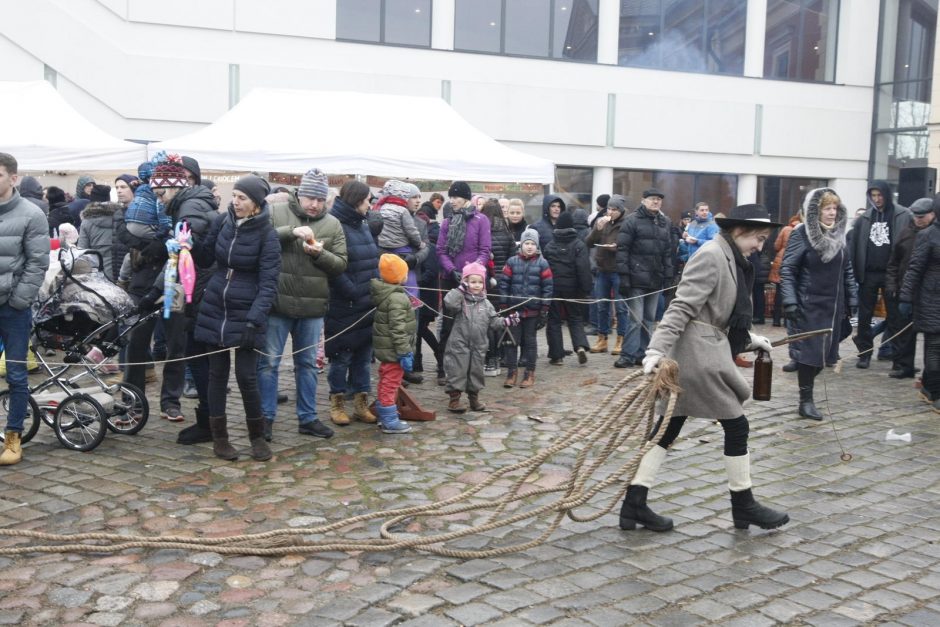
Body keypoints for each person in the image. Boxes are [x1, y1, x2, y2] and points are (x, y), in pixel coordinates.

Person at [622, 204, 787, 533]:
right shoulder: (712, 255)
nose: (760, 246)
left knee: (669, 427)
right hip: (697, 355)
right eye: (757, 238)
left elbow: (718, 313)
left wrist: (750, 339)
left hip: (706, 348)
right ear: (739, 231)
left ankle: (634, 504)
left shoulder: (731, 257)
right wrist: (655, 348)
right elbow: (682, 306)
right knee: (736, 426)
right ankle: (743, 505)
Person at [192, 175, 281, 461]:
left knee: (247, 377)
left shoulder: (268, 234)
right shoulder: (222, 222)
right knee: (217, 375)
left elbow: (269, 283)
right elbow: (206, 258)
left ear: (256, 203)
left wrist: (255, 319)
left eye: (242, 198)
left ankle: (257, 437)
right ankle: (220, 438)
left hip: (247, 308)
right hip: (216, 303)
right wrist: (190, 242)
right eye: (235, 196)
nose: (236, 202)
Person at [258, 168, 348, 442]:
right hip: (277, 303)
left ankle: (307, 418)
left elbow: (341, 264)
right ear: (300, 193)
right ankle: (264, 418)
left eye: (320, 200)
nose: (314, 204)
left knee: (307, 364)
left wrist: (321, 255)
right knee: (269, 363)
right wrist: (289, 232)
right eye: (310, 197)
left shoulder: (333, 224)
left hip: (312, 307)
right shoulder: (276, 212)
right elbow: (260, 241)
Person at [779, 188, 858, 421]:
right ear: (815, 211)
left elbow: (848, 270)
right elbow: (788, 268)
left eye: (835, 208)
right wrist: (791, 301)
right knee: (808, 354)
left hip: (834, 306)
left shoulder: (839, 235)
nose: (832, 213)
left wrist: (852, 298)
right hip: (808, 304)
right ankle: (806, 401)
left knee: (826, 355)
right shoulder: (801, 233)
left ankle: (807, 392)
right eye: (827, 208)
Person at [0, 153, 50, 465]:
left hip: (13, 308)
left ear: (13, 178)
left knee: (17, 375)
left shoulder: (32, 214)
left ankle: (13, 438)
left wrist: (18, 300)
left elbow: (37, 263)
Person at [325, 181, 378, 426]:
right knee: (341, 356)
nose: (371, 204)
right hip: (344, 305)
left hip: (367, 303)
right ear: (357, 199)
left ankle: (360, 403)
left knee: (363, 357)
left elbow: (370, 260)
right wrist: (352, 290)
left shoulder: (363, 224)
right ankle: (337, 403)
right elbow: (332, 265)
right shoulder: (335, 225)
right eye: (368, 199)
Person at [847, 181, 912, 369]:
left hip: (892, 274)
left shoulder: (902, 215)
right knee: (865, 316)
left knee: (895, 316)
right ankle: (865, 354)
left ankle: (897, 357)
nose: (877, 199)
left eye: (880, 195)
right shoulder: (865, 218)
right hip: (867, 274)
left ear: (886, 195)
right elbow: (854, 247)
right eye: (873, 196)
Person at [436, 181, 491, 386]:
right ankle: (443, 368)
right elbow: (441, 250)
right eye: (450, 197)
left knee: (471, 325)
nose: (452, 201)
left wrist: (471, 273)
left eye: (456, 197)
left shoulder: (481, 220)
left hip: (473, 280)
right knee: (447, 326)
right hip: (451, 279)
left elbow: (484, 250)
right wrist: (452, 270)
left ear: (466, 198)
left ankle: (470, 368)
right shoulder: (447, 222)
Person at [443, 262, 518, 412]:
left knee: (476, 372)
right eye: (472, 282)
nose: (476, 285)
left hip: (479, 345)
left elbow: (493, 322)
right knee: (457, 371)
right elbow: (449, 303)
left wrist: (506, 321)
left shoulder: (487, 303)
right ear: (465, 282)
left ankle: (474, 398)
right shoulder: (460, 299)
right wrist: (459, 290)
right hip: (459, 343)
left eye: (479, 282)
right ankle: (454, 400)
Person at [615, 188, 674, 368]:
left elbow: (667, 251)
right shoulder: (632, 221)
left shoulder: (664, 222)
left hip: (655, 278)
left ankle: (643, 353)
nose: (656, 202)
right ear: (643, 200)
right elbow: (622, 250)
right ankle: (627, 354)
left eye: (659, 199)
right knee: (635, 318)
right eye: (652, 199)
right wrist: (624, 276)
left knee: (649, 319)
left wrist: (669, 274)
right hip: (635, 278)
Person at [887, 198, 935, 379]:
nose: (918, 219)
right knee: (904, 332)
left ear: (933, 214)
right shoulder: (905, 233)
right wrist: (892, 286)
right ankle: (904, 366)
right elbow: (893, 264)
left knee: (931, 336)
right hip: (905, 290)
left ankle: (930, 373)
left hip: (929, 294)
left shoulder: (934, 235)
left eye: (922, 216)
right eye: (916, 216)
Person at [900, 196, 940, 412]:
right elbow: (914, 268)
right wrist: (906, 297)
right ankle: (935, 393)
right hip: (931, 299)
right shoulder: (928, 235)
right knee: (934, 348)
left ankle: (928, 387)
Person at [500, 227, 553, 388]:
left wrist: (544, 308)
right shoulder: (511, 262)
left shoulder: (543, 263)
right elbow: (504, 284)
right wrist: (504, 304)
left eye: (532, 244)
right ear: (521, 244)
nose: (529, 246)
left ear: (536, 246)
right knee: (511, 342)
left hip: (532, 311)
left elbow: (548, 287)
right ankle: (511, 372)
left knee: (530, 342)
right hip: (514, 310)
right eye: (527, 243)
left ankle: (529, 373)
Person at [370, 254, 415, 434]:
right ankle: (389, 420)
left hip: (387, 349)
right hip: (394, 351)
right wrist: (404, 352)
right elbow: (398, 329)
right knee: (391, 383)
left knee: (385, 381)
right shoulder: (397, 298)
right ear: (399, 276)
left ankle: (385, 415)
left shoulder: (389, 294)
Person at [543, 211, 592, 365]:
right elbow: (583, 268)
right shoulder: (578, 245)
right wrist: (586, 289)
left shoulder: (550, 245)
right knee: (575, 318)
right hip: (573, 288)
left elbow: (545, 269)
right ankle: (580, 347)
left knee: (554, 320)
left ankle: (557, 356)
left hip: (554, 288)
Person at [587, 195, 629, 355]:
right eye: (609, 209)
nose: (610, 212)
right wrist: (597, 228)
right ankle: (602, 339)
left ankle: (621, 340)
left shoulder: (627, 223)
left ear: (620, 210)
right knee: (601, 305)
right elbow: (589, 242)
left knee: (621, 307)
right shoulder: (602, 221)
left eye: (614, 209)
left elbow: (628, 245)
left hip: (618, 270)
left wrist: (617, 247)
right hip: (602, 269)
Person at [481, 199, 515, 375]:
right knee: (500, 320)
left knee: (488, 323)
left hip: (486, 282)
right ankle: (501, 357)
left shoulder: (483, 232)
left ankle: (491, 358)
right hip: (503, 282)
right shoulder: (508, 233)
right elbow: (512, 260)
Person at [414, 192, 442, 375]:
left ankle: (439, 355)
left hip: (426, 294)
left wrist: (414, 282)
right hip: (419, 293)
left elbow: (431, 270)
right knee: (417, 330)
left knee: (420, 328)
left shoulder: (429, 244)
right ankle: (417, 363)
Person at [77, 190, 121, 280]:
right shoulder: (121, 218)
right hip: (120, 272)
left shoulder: (86, 222)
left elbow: (82, 251)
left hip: (97, 274)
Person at [768, 213, 801, 335]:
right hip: (796, 261)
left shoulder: (786, 229)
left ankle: (776, 320)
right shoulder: (804, 229)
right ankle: (788, 321)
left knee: (779, 293)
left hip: (781, 260)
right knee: (792, 292)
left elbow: (776, 245)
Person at [377, 180, 426, 254]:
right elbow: (411, 231)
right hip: (400, 249)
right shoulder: (402, 211)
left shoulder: (380, 207)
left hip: (382, 247)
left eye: (419, 197)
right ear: (405, 196)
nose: (418, 201)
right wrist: (420, 244)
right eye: (414, 197)